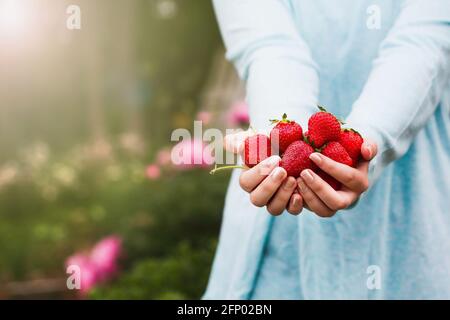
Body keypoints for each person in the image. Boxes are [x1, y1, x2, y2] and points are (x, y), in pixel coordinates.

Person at [204, 0, 450, 299]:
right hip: (280, 221)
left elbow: (423, 48)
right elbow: (270, 48)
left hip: (407, 210)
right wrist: (281, 143)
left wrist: (363, 142)